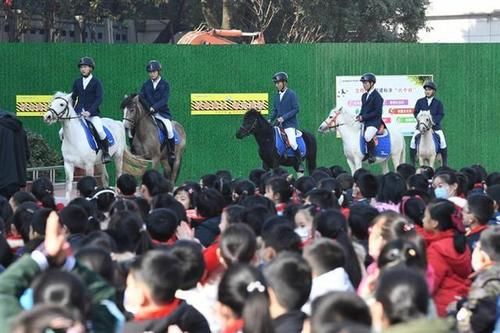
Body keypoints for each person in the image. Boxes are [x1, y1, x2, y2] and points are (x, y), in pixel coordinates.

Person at [71, 56, 111, 164]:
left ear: (90, 68)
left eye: (85, 67)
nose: (83, 69)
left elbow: (99, 98)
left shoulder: (96, 82)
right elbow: (73, 97)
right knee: (62, 131)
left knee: (99, 130)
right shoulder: (77, 82)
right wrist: (72, 110)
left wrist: (89, 111)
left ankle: (106, 153)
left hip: (92, 113)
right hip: (79, 113)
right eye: (81, 67)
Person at [140, 60, 176, 164]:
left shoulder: (165, 84)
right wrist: (148, 107)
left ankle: (171, 152)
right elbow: (142, 96)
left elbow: (164, 100)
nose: (152, 74)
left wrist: (154, 107)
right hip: (149, 113)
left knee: (169, 129)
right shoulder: (146, 84)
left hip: (162, 113)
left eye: (154, 72)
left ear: (158, 72)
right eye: (150, 72)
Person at [268, 72, 304, 172]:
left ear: (284, 83)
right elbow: (275, 110)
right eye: (276, 83)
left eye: (278, 83)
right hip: (279, 125)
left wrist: (283, 118)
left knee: (292, 142)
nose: (277, 85)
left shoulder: (291, 94)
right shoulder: (276, 96)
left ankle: (299, 162)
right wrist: (270, 119)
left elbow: (296, 109)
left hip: (289, 124)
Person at [410, 81, 448, 166]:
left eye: (429, 90)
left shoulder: (438, 103)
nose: (427, 91)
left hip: (435, 127)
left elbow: (441, 114)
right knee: (413, 141)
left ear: (433, 91)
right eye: (426, 90)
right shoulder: (420, 102)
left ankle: (444, 163)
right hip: (422, 127)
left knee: (442, 141)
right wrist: (420, 119)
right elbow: (415, 112)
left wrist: (433, 122)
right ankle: (412, 163)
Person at [357, 73, 384, 164]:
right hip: (365, 121)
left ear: (372, 83)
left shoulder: (377, 97)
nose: (364, 85)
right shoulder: (364, 96)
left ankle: (371, 155)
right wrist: (359, 115)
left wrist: (363, 117)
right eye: (363, 83)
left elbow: (377, 112)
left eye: (366, 83)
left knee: (368, 136)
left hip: (374, 122)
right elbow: (363, 109)